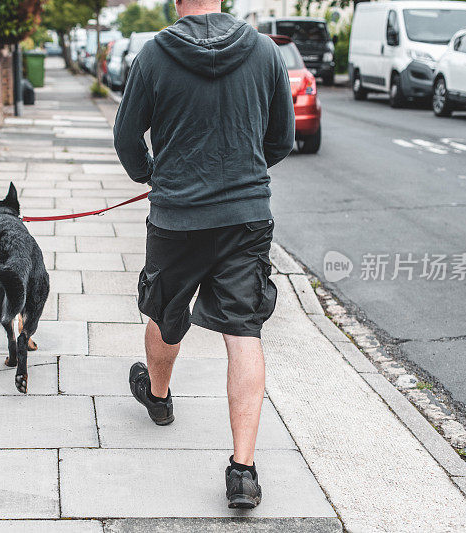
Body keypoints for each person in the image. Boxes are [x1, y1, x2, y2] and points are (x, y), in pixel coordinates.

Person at [112, 0, 295, 510]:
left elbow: (127, 137)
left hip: (177, 217)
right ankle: (243, 471)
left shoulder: (153, 56)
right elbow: (281, 139)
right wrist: (245, 172)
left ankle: (160, 398)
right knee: (244, 330)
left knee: (165, 308)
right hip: (246, 217)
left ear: (177, 3)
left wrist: (151, 173)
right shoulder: (265, 53)